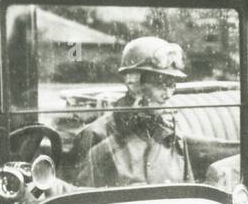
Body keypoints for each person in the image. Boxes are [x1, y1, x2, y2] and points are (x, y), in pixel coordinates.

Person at [71, 36, 193, 187]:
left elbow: (190, 192)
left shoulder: (173, 133)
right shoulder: (96, 135)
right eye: (159, 84)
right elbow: (80, 201)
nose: (167, 94)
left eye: (171, 85)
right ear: (133, 82)